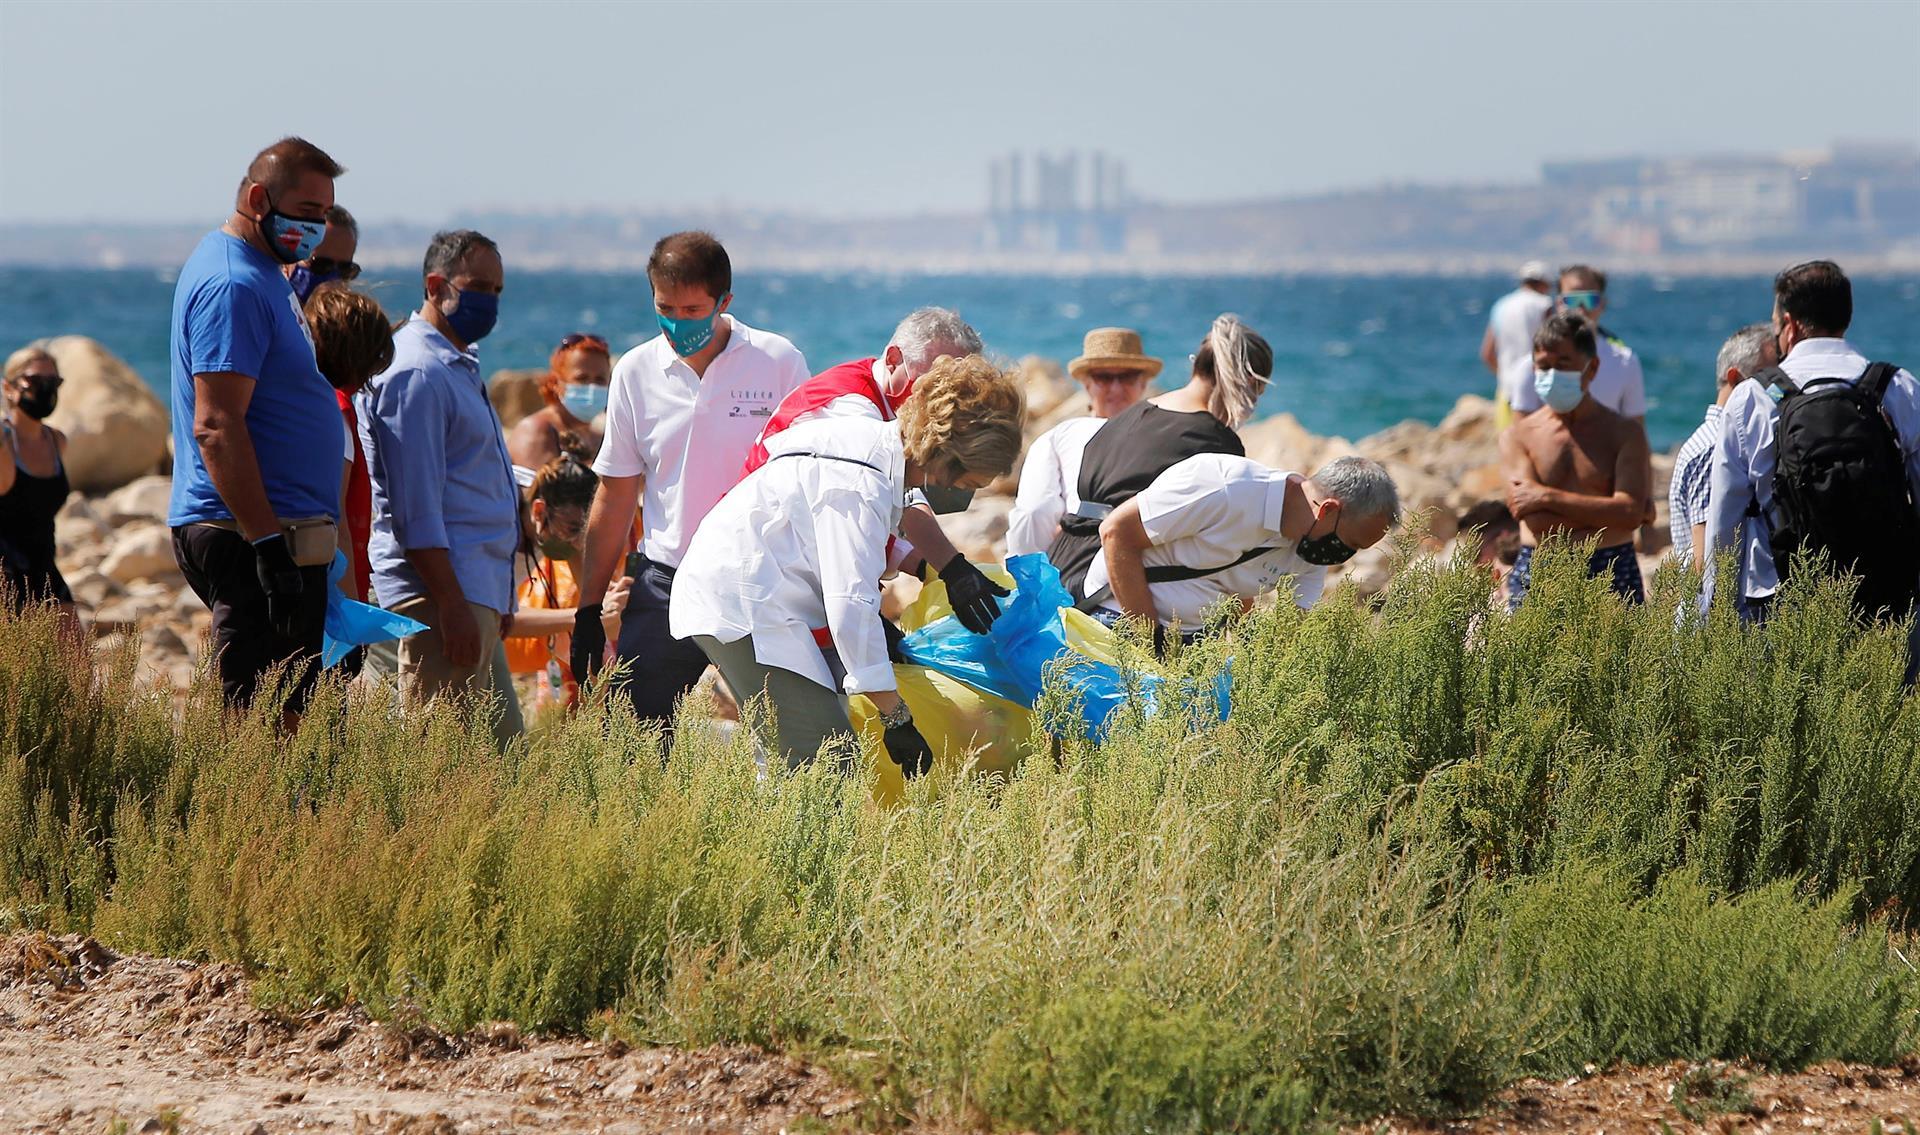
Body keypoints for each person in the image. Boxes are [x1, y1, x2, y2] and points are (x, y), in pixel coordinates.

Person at [670, 355, 1024, 771]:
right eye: (972, 482)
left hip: (741, 590)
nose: (972, 492)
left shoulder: (868, 445)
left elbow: (843, 539)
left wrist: (944, 574)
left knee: (806, 753)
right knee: (824, 762)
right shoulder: (859, 483)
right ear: (947, 457)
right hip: (743, 605)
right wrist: (896, 716)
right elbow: (849, 606)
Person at [571, 232, 811, 730]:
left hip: (760, 581)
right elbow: (615, 495)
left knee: (792, 736)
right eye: (666, 309)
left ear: (725, 302)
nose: (678, 324)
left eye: (692, 310)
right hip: (668, 583)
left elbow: (807, 479)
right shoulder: (635, 371)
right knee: (630, 741)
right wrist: (588, 609)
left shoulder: (779, 362)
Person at [167, 137, 347, 717]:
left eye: (324, 214)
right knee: (258, 728)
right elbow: (217, 424)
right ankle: (246, 812)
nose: (316, 228)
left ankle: (288, 810)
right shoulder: (234, 283)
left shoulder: (264, 271)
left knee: (294, 715)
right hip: (253, 535)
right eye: (307, 212)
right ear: (257, 198)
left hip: (282, 532)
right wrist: (267, 544)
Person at [739, 307, 1006, 634]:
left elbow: (906, 497)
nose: (943, 395)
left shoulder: (884, 403)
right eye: (934, 381)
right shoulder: (851, 412)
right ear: (894, 359)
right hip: (767, 575)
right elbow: (856, 519)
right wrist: (940, 568)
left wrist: (950, 569)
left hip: (799, 570)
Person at [359, 230, 524, 744]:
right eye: (478, 286)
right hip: (441, 593)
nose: (489, 301)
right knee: (441, 761)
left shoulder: (453, 362)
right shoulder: (417, 372)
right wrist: (450, 605)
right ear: (436, 285)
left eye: (497, 290)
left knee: (500, 754)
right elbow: (417, 507)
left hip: (473, 589)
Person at [1705, 260, 1920, 624]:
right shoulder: (1896, 387)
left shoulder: (1753, 398)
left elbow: (1725, 521)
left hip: (1779, 605)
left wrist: (1716, 609)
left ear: (1788, 325)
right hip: (1886, 603)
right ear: (1845, 318)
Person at [1049, 314, 1272, 607]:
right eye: (1256, 393)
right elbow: (1227, 550)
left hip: (1062, 574)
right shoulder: (1217, 445)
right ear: (1245, 384)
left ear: (1196, 365)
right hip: (1113, 587)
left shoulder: (1128, 417)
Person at [1092, 454, 1398, 641]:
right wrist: (1152, 642)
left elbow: (1289, 631)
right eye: (1352, 543)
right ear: (1327, 510)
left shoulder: (1313, 548)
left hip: (1194, 641)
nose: (1346, 555)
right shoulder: (1228, 489)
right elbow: (1116, 531)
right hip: (1119, 620)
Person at [1499, 311, 1652, 610]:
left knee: (1620, 657)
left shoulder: (1624, 433)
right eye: (1543, 367)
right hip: (1540, 566)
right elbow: (1532, 518)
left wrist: (1546, 495)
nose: (1551, 375)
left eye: (1563, 365)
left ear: (1591, 368)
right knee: (1533, 657)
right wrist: (1605, 514)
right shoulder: (1519, 435)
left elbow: (1630, 512)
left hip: (1610, 566)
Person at [1006, 327, 1158, 556]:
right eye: (1104, 377)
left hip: (1071, 564)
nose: (1116, 387)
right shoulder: (1163, 438)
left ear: (1143, 383)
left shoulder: (1056, 439)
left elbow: (1033, 516)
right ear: (1086, 383)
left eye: (1126, 376)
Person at [502, 445, 631, 710]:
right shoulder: (497, 522)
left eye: (584, 533)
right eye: (573, 530)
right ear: (538, 512)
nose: (576, 543)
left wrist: (614, 604)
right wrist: (584, 617)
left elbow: (594, 606)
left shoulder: (557, 514)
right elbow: (498, 618)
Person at [302, 285, 394, 605]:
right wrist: (352, 610)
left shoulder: (306, 402)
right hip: (331, 587)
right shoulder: (337, 411)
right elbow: (336, 519)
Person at [1669, 324, 1775, 571]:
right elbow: (1705, 562)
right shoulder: (1714, 448)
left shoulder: (1715, 441)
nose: (1777, 386)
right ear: (1735, 378)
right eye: (1767, 377)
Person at [0, 347, 81, 643]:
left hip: (45, 569)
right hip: (5, 575)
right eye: (34, 381)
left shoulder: (56, 441)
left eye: (53, 381)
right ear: (9, 387)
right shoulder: (4, 444)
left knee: (77, 670)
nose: (45, 389)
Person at [1509, 265, 1646, 422]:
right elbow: (1521, 436)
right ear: (1559, 303)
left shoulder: (1626, 363)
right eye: (1572, 300)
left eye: (1589, 300)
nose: (1581, 309)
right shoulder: (1530, 367)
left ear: (1602, 304)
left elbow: (1636, 431)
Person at [507, 332, 613, 470]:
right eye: (582, 378)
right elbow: (539, 490)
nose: (592, 387)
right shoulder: (537, 430)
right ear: (557, 383)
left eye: (600, 379)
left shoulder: (599, 437)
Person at [1481, 261, 1555, 429]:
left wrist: (1504, 376)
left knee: (1509, 447)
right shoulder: (1544, 305)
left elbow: (1487, 354)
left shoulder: (1501, 306)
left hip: (1505, 389)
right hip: (1538, 391)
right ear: (1544, 283)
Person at [287, 205, 360, 305]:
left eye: (345, 269)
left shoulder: (353, 318)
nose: (333, 279)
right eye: (321, 265)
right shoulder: (264, 310)